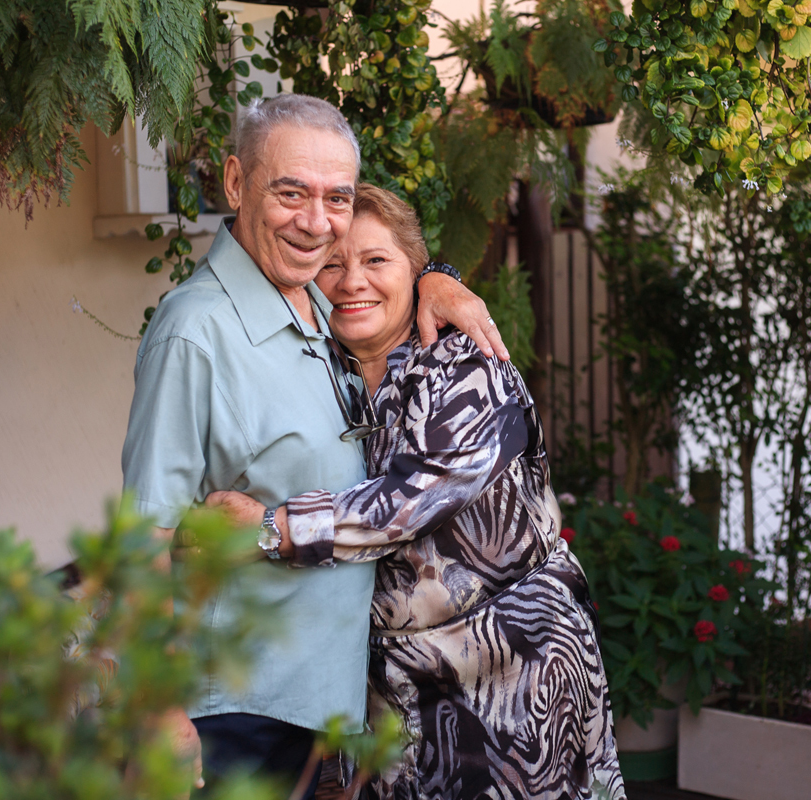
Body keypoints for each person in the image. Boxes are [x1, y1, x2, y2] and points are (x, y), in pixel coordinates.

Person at [121, 94, 508, 800]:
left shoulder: (319, 309)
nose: (315, 222)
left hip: (328, 715)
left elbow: (375, 279)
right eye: (290, 192)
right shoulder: (195, 331)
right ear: (236, 184)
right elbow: (147, 533)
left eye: (337, 198)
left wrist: (436, 278)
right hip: (236, 711)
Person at [207, 185, 625, 799]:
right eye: (331, 264)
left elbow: (414, 499)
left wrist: (274, 529)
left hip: (511, 676)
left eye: (377, 261)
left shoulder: (463, 364)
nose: (352, 281)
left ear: (414, 270)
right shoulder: (325, 374)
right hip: (395, 694)